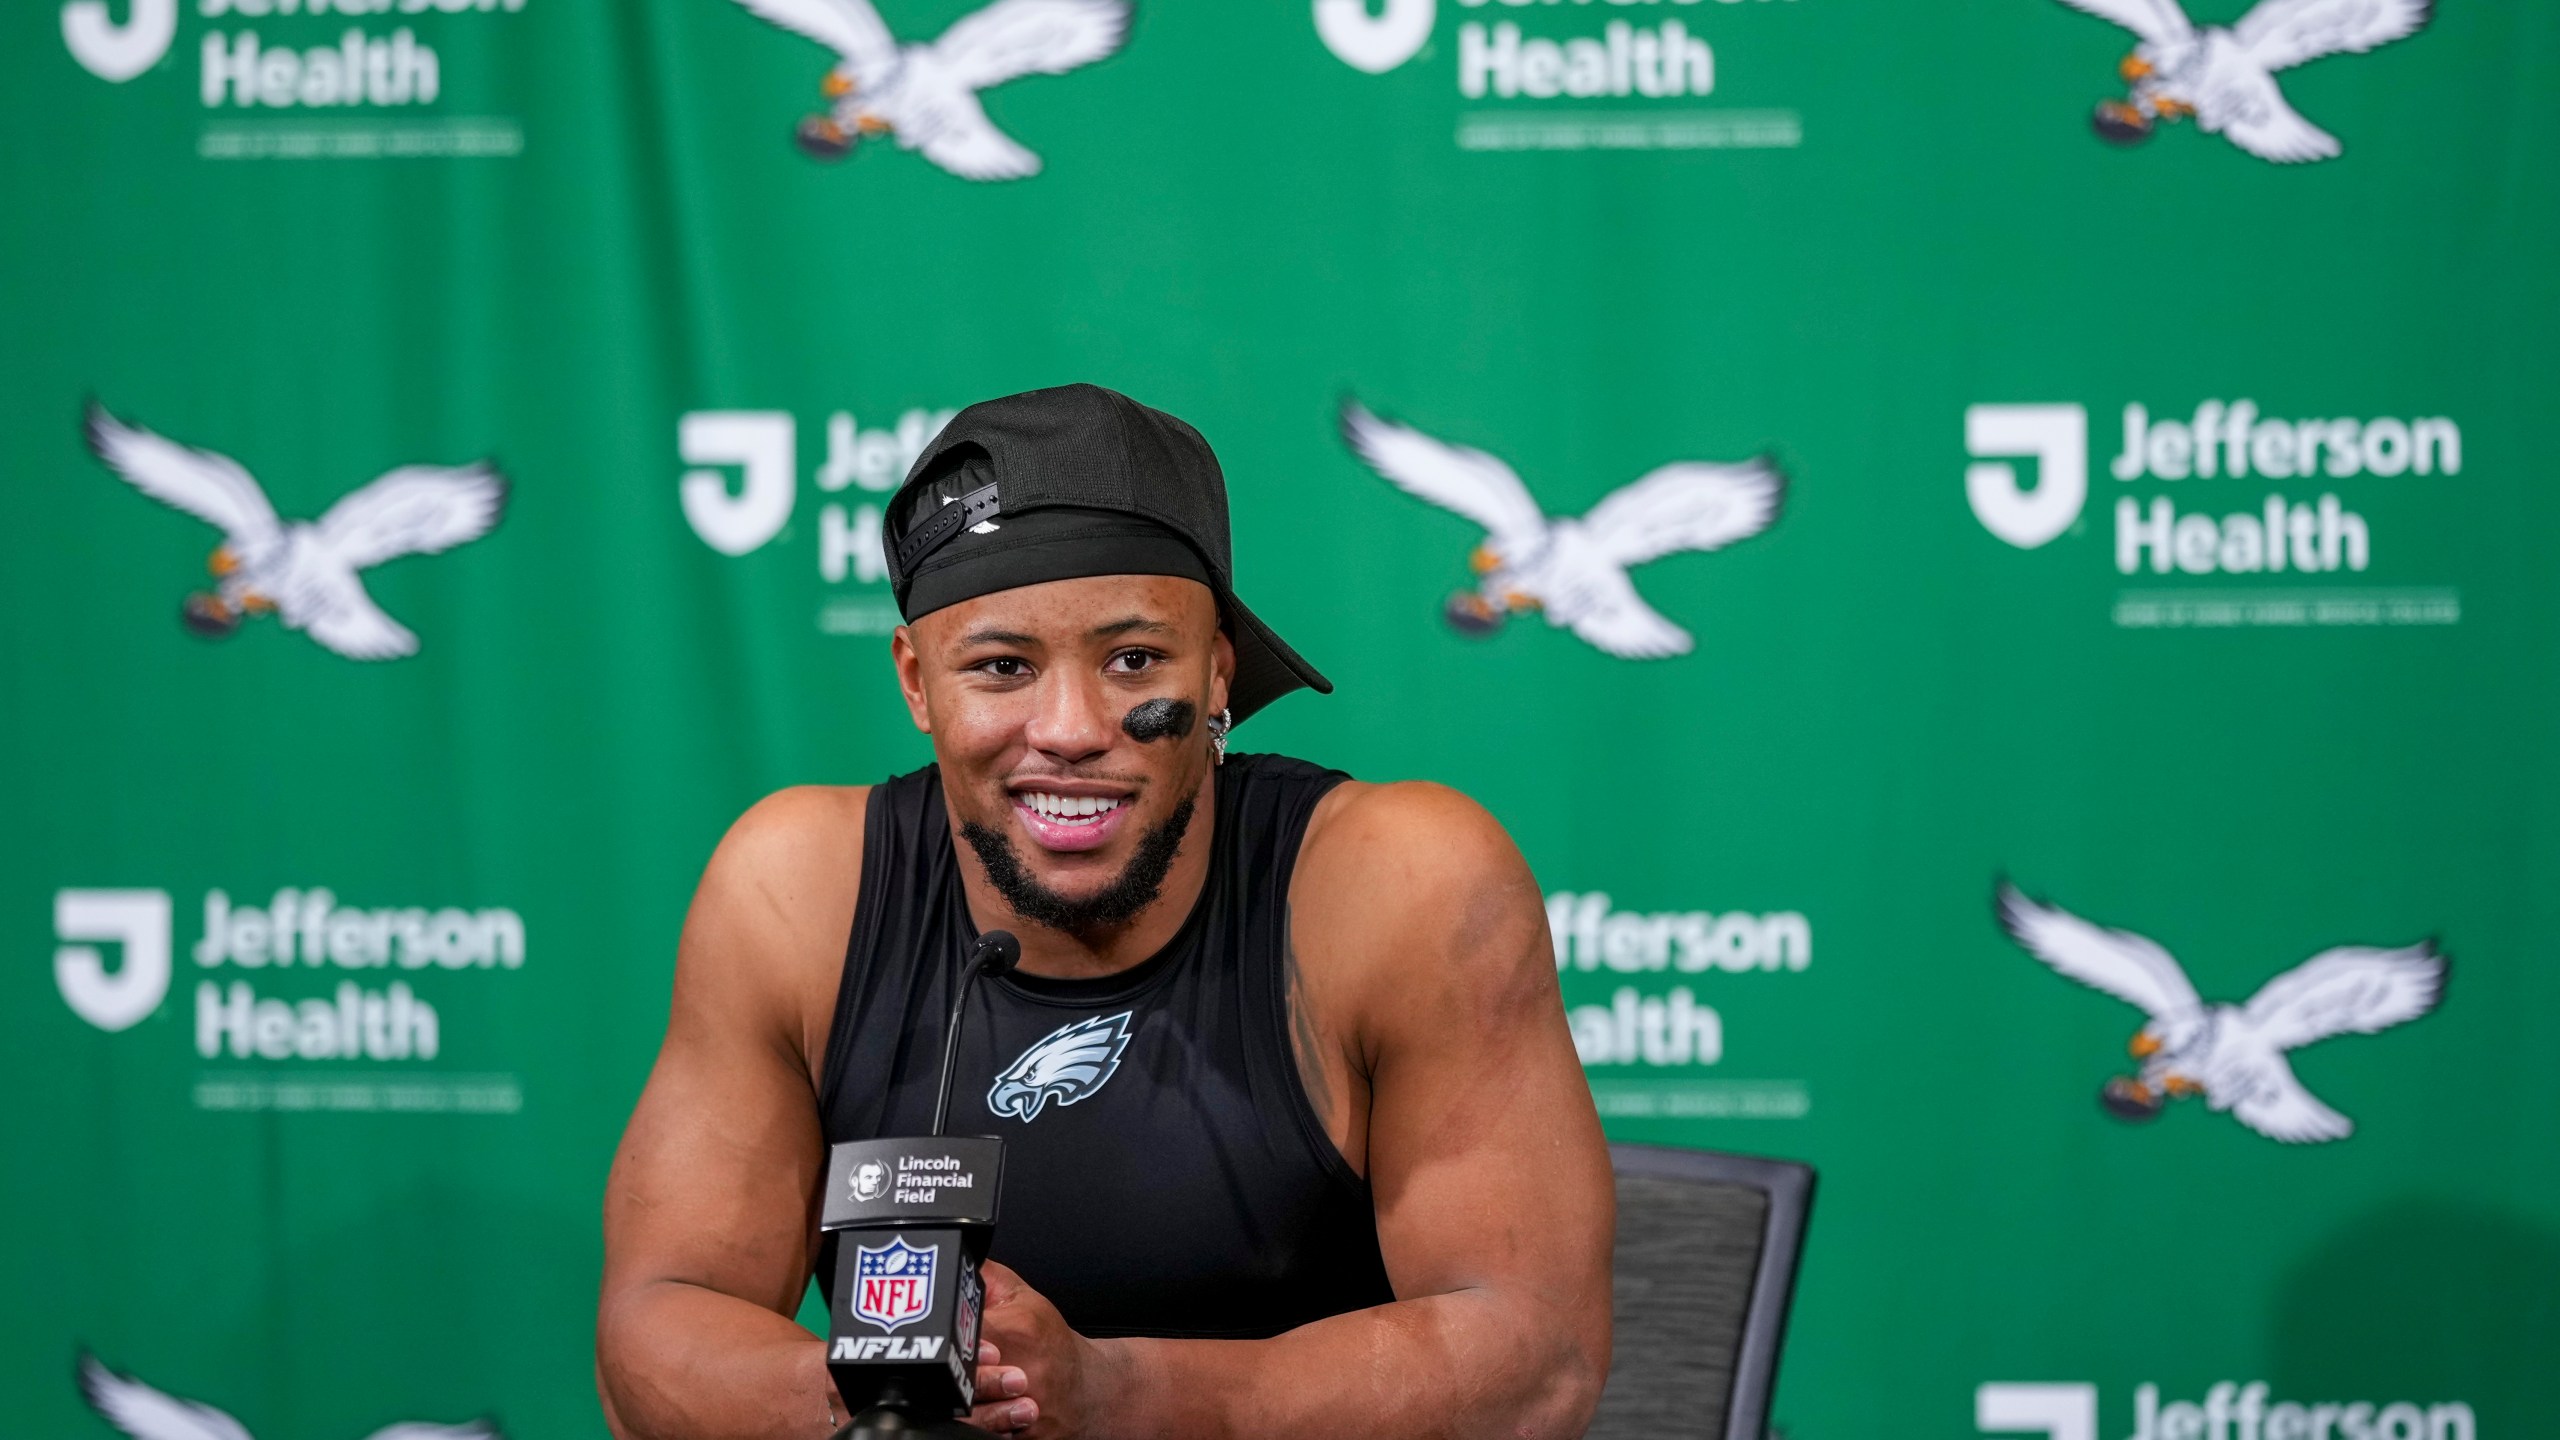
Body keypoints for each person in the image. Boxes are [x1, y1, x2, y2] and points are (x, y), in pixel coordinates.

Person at [598, 384, 1613, 1440]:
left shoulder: (1395, 881)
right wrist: (909, 1398)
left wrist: (1116, 1395)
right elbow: (655, 1326)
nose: (1071, 729)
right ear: (915, 683)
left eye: (1133, 659)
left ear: (1218, 668)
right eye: (1000, 667)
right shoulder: (797, 889)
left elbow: (1536, 1357)